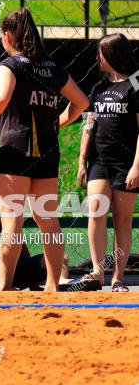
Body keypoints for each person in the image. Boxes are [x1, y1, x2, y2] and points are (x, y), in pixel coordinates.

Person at [0, 8, 88, 292]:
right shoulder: (52, 68)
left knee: (11, 222)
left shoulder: (9, 65)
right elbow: (81, 102)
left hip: (15, 150)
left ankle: (4, 286)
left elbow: (1, 98)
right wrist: (58, 121)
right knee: (48, 220)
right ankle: (52, 285)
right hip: (47, 152)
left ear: (8, 36)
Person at [77, 34, 139, 292]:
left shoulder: (135, 86)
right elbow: (88, 126)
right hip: (99, 162)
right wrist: (82, 161)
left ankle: (118, 278)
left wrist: (137, 166)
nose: (97, 58)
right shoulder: (98, 89)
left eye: (101, 53)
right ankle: (97, 273)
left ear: (112, 54)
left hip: (126, 164)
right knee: (96, 213)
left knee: (123, 220)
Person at [0, 156, 69, 290]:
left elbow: (19, 243)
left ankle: (64, 283)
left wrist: (29, 273)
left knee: (59, 259)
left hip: (7, 271)